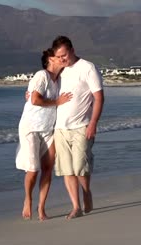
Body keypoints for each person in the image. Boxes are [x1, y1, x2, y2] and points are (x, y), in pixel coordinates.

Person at [15, 48, 72, 221]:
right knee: (33, 170)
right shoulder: (42, 75)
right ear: (50, 59)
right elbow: (35, 100)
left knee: (48, 169)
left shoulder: (60, 79)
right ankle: (28, 199)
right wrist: (57, 102)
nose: (62, 59)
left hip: (48, 130)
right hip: (31, 128)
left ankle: (41, 208)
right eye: (58, 57)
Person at [51, 36, 104, 219]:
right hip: (60, 128)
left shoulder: (87, 68)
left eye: (64, 55)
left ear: (72, 50)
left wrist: (93, 123)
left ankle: (86, 192)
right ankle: (76, 207)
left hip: (82, 126)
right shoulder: (58, 70)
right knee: (67, 169)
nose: (62, 60)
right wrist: (31, 95)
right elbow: (46, 91)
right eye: (59, 57)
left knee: (80, 167)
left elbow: (99, 97)